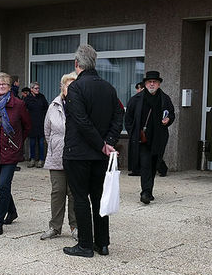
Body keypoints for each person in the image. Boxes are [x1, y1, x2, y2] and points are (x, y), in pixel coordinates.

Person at [62, 44, 124, 258]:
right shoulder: (109, 88)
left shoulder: (77, 88)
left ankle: (85, 245)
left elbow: (81, 121)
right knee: (99, 197)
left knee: (80, 197)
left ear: (76, 64)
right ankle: (102, 243)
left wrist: (101, 143)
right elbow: (118, 116)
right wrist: (107, 142)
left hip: (79, 153)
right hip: (100, 155)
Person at [0, 72, 30, 235]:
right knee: (2, 187)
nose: (1, 87)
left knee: (3, 185)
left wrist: (16, 143)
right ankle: (12, 211)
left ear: (10, 87)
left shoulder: (18, 104)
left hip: (10, 152)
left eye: (4, 84)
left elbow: (27, 126)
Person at [125, 70, 175, 204]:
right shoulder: (136, 99)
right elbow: (128, 118)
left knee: (154, 165)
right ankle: (145, 193)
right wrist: (133, 133)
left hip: (158, 138)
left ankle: (149, 191)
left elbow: (171, 114)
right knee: (146, 165)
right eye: (149, 82)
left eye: (155, 82)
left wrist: (168, 119)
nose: (152, 84)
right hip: (143, 139)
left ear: (159, 84)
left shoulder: (165, 99)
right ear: (145, 83)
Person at [40, 71, 78, 241]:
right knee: (57, 191)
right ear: (62, 87)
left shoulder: (81, 104)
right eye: (67, 85)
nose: (69, 88)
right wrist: (56, 146)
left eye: (73, 85)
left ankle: (75, 227)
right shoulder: (53, 105)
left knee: (75, 193)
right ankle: (54, 227)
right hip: (57, 156)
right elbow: (47, 132)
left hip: (76, 156)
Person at [24, 81, 49, 168]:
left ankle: (41, 160)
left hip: (41, 123)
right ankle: (32, 159)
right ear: (31, 89)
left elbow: (46, 107)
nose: (37, 90)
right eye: (36, 88)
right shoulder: (27, 99)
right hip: (32, 123)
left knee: (41, 143)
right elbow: (24, 111)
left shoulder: (41, 97)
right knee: (32, 143)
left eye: (38, 88)